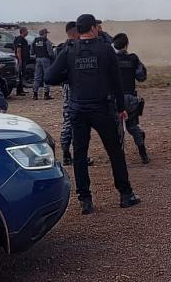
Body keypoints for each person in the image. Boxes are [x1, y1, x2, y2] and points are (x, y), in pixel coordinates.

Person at [46, 14, 140, 214]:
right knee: (115, 152)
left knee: (80, 154)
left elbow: (49, 77)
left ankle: (85, 201)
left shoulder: (68, 50)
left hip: (78, 109)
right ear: (91, 28)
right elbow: (116, 81)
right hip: (102, 109)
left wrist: (70, 76)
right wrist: (121, 107)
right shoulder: (105, 50)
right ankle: (125, 195)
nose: (98, 29)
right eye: (96, 26)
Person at [59, 21, 93, 167]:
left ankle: (66, 153)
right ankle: (77, 155)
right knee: (78, 121)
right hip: (76, 87)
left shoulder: (61, 48)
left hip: (67, 87)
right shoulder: (75, 48)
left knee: (68, 119)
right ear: (75, 33)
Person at [113, 33, 149, 164]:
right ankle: (143, 155)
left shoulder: (110, 59)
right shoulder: (133, 58)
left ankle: (118, 159)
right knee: (133, 127)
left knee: (116, 130)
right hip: (131, 100)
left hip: (115, 99)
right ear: (126, 44)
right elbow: (141, 77)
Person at [31, 27, 54, 100]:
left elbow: (32, 52)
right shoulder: (46, 41)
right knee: (46, 76)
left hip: (38, 59)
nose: (47, 35)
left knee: (37, 77)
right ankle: (46, 95)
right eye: (46, 33)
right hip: (46, 59)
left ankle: (35, 95)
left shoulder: (35, 40)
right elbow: (50, 53)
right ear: (44, 34)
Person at [13, 26, 30, 96]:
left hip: (23, 60)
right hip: (21, 60)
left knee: (22, 75)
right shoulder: (20, 39)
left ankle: (21, 89)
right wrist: (20, 60)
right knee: (20, 74)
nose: (27, 32)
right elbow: (18, 50)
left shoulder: (23, 39)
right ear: (23, 31)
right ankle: (19, 91)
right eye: (26, 31)